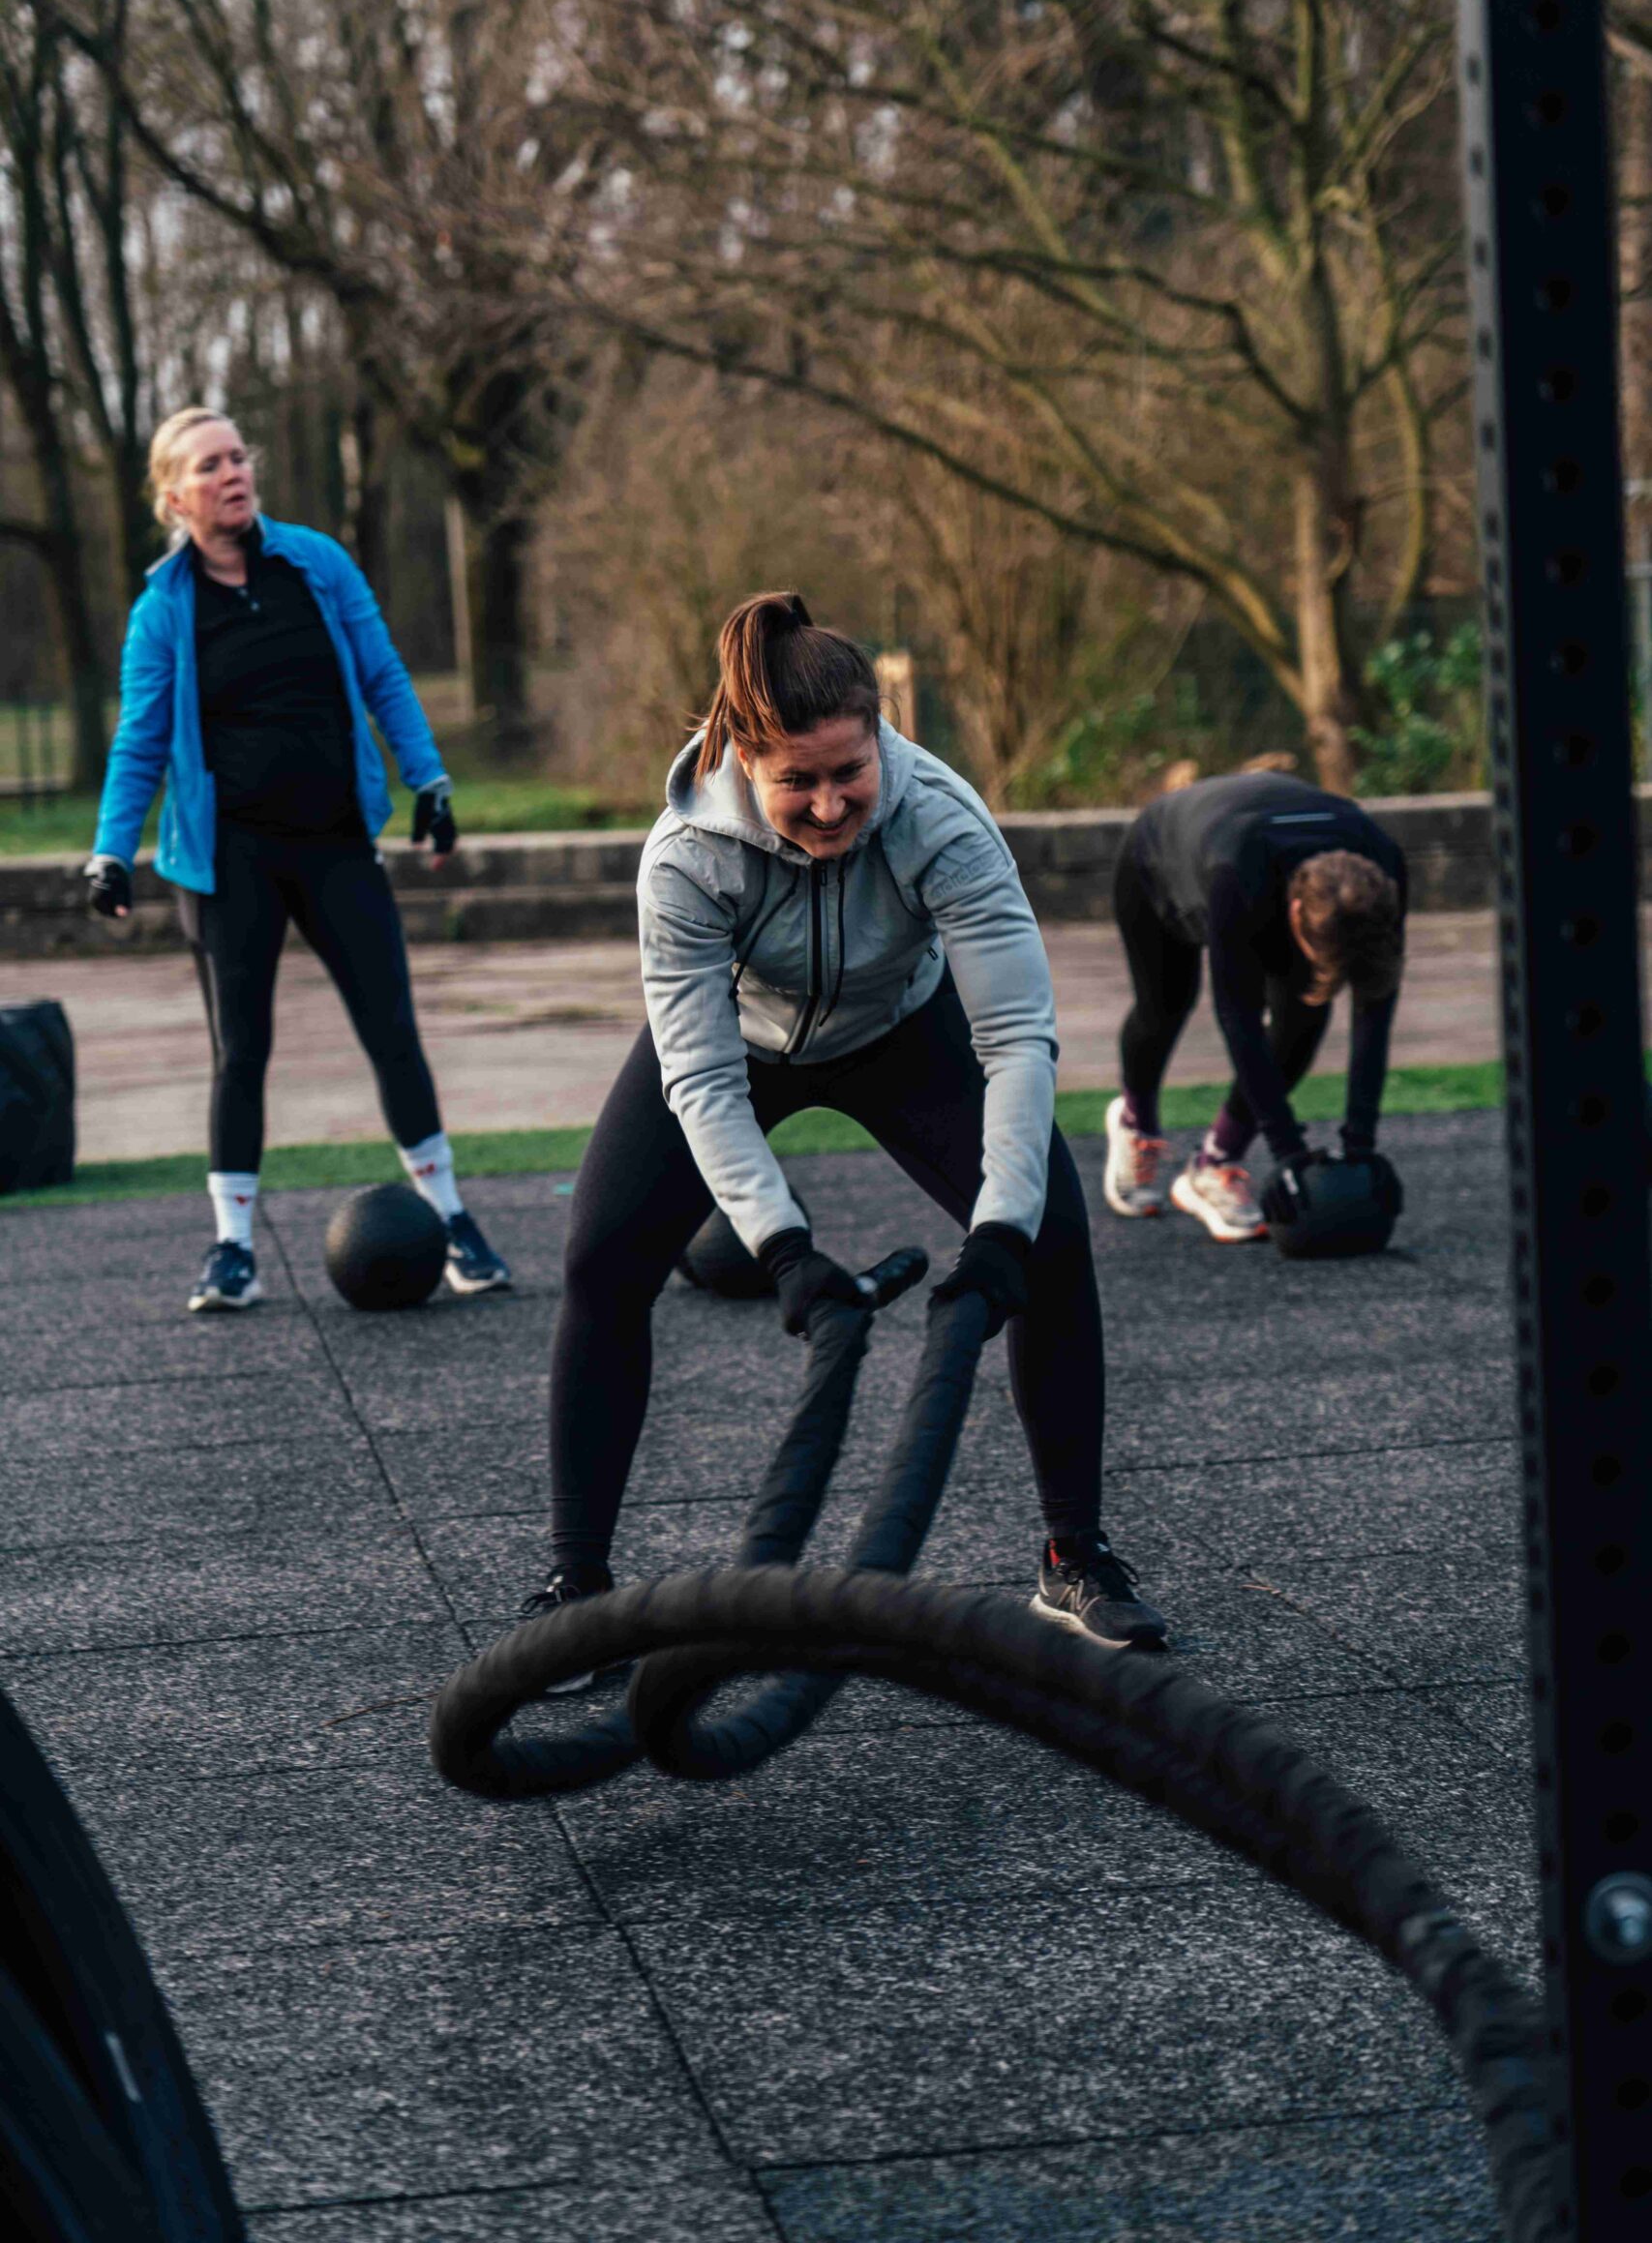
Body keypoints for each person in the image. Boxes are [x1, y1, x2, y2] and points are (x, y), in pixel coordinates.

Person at [523, 591, 1166, 1671]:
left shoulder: (941, 818)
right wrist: (783, 1248)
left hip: (902, 1027)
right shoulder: (686, 853)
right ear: (744, 759)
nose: (829, 805)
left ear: (881, 737)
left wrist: (999, 1232)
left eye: (848, 772)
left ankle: (1075, 1555)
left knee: (1053, 1236)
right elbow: (700, 1076)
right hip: (743, 1036)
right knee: (600, 1260)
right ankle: (576, 1584)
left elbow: (1015, 1038)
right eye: (797, 782)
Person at [84, 406, 510, 1311]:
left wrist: (429, 780)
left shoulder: (317, 564)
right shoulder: (164, 610)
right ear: (174, 497)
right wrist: (111, 852)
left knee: (392, 1032)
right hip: (228, 862)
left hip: (334, 844)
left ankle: (453, 1218)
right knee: (241, 1052)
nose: (232, 473)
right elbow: (140, 742)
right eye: (209, 465)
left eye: (238, 457)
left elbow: (384, 674)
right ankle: (232, 1248)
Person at [1101, 770, 1407, 1241]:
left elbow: (1375, 1007)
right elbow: (1237, 1018)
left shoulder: (1384, 869)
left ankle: (1214, 1163)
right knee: (1165, 1005)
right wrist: (1288, 1152)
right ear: (1296, 914)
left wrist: (1361, 1145)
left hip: (1260, 859)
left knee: (1304, 1015)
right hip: (1160, 858)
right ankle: (1135, 1122)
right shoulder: (1237, 877)